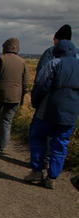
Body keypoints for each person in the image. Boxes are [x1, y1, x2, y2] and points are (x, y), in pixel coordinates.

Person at [24, 39, 79, 189]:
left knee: (38, 137)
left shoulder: (54, 63)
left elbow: (41, 84)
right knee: (61, 144)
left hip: (49, 108)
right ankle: (52, 177)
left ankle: (36, 170)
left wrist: (35, 102)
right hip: (72, 112)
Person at [0, 38, 28, 151]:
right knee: (7, 121)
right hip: (15, 96)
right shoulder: (22, 62)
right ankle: (2, 145)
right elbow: (26, 82)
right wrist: (22, 94)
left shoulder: (0, 59)